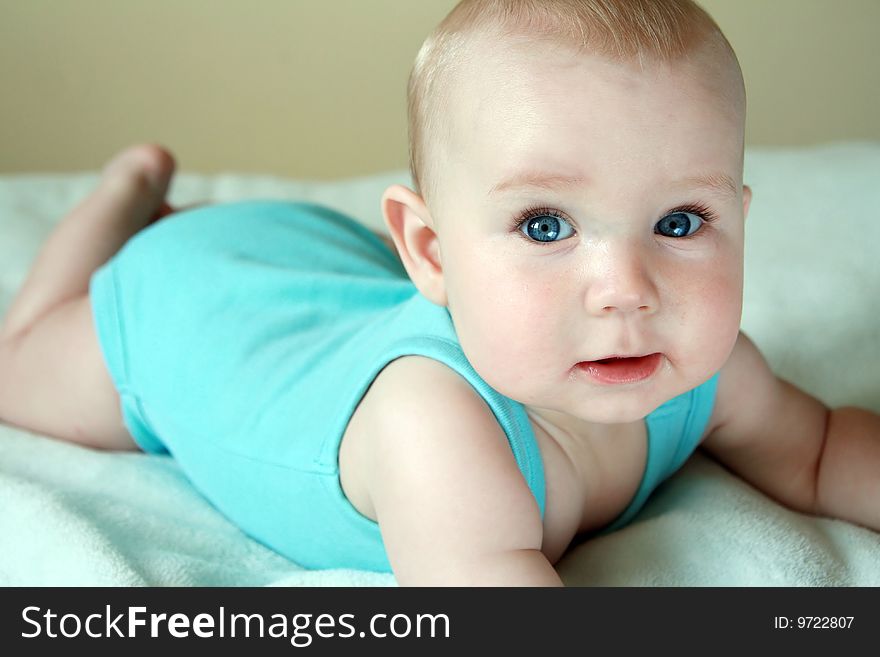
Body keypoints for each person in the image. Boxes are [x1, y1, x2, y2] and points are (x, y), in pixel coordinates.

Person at [0, 0, 877, 586]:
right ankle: (125, 197)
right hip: (197, 309)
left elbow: (822, 449)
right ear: (429, 249)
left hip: (323, 264)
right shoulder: (440, 429)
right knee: (21, 368)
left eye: (681, 222)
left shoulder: (707, 369)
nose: (626, 292)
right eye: (545, 225)